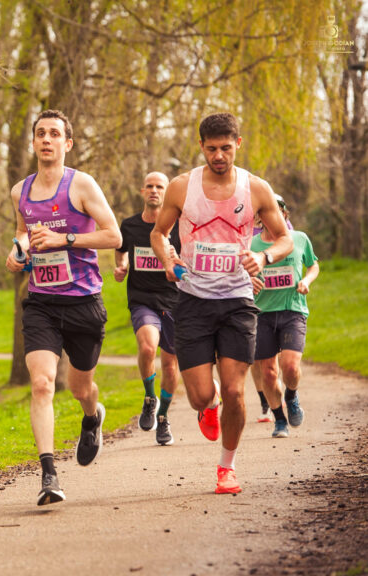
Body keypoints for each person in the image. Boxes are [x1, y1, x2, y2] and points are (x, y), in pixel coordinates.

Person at [150, 112, 292, 495]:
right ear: (201, 147)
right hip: (193, 301)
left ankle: (226, 468)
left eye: (226, 148)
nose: (219, 156)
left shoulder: (256, 189)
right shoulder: (182, 187)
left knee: (235, 391)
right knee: (201, 395)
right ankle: (206, 404)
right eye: (211, 149)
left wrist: (263, 258)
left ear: (238, 145)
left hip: (237, 301)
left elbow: (284, 239)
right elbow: (159, 233)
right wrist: (168, 259)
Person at [5, 109, 122, 506]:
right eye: (40, 133)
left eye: (55, 134)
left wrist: (64, 240)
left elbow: (113, 236)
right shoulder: (19, 191)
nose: (47, 140)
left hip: (83, 302)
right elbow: (23, 232)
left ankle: (93, 417)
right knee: (41, 384)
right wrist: (17, 252)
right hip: (41, 302)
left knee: (80, 387)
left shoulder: (82, 185)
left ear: (67, 144)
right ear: (33, 142)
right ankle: (48, 474)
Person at [114, 171, 181, 446]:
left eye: (160, 187)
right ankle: (149, 397)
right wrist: (122, 266)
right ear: (142, 191)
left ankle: (163, 419)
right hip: (142, 298)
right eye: (150, 186)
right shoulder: (129, 225)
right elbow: (120, 249)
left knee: (170, 363)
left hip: (175, 301)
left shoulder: (178, 227)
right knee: (147, 347)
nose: (154, 190)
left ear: (167, 193)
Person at [249, 196, 319, 438]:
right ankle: (279, 420)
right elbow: (239, 274)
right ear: (259, 216)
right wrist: (249, 281)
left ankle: (291, 395)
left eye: (277, 210)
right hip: (262, 315)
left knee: (289, 366)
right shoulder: (251, 244)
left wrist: (306, 281)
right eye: (266, 211)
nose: (272, 215)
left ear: (284, 214)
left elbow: (313, 265)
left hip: (292, 311)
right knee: (268, 372)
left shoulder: (298, 239)